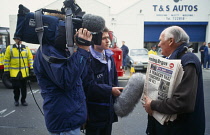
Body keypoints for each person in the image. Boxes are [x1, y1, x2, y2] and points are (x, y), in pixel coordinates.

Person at [143, 26, 205, 135]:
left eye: (160, 40)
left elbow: (183, 103)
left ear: (171, 41)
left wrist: (152, 104)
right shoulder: (170, 59)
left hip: (182, 129)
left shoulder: (188, 61)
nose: (158, 44)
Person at [33, 28, 92, 135]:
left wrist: (82, 50)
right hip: (65, 121)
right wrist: (83, 49)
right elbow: (66, 81)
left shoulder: (59, 49)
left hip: (70, 117)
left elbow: (79, 77)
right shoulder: (49, 50)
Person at [83, 27, 123, 135]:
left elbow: (114, 79)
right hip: (94, 113)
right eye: (104, 38)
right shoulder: (88, 58)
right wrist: (110, 90)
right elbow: (88, 86)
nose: (108, 41)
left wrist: (117, 93)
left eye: (108, 37)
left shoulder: (109, 56)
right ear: (95, 39)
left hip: (108, 112)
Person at [4, 37, 34, 106]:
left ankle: (23, 100)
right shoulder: (10, 48)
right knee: (16, 88)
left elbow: (30, 58)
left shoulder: (26, 48)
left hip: (24, 72)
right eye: (17, 39)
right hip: (14, 72)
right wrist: (6, 71)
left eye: (20, 39)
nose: (19, 41)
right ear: (15, 40)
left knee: (24, 88)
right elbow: (6, 60)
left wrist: (31, 69)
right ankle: (16, 100)